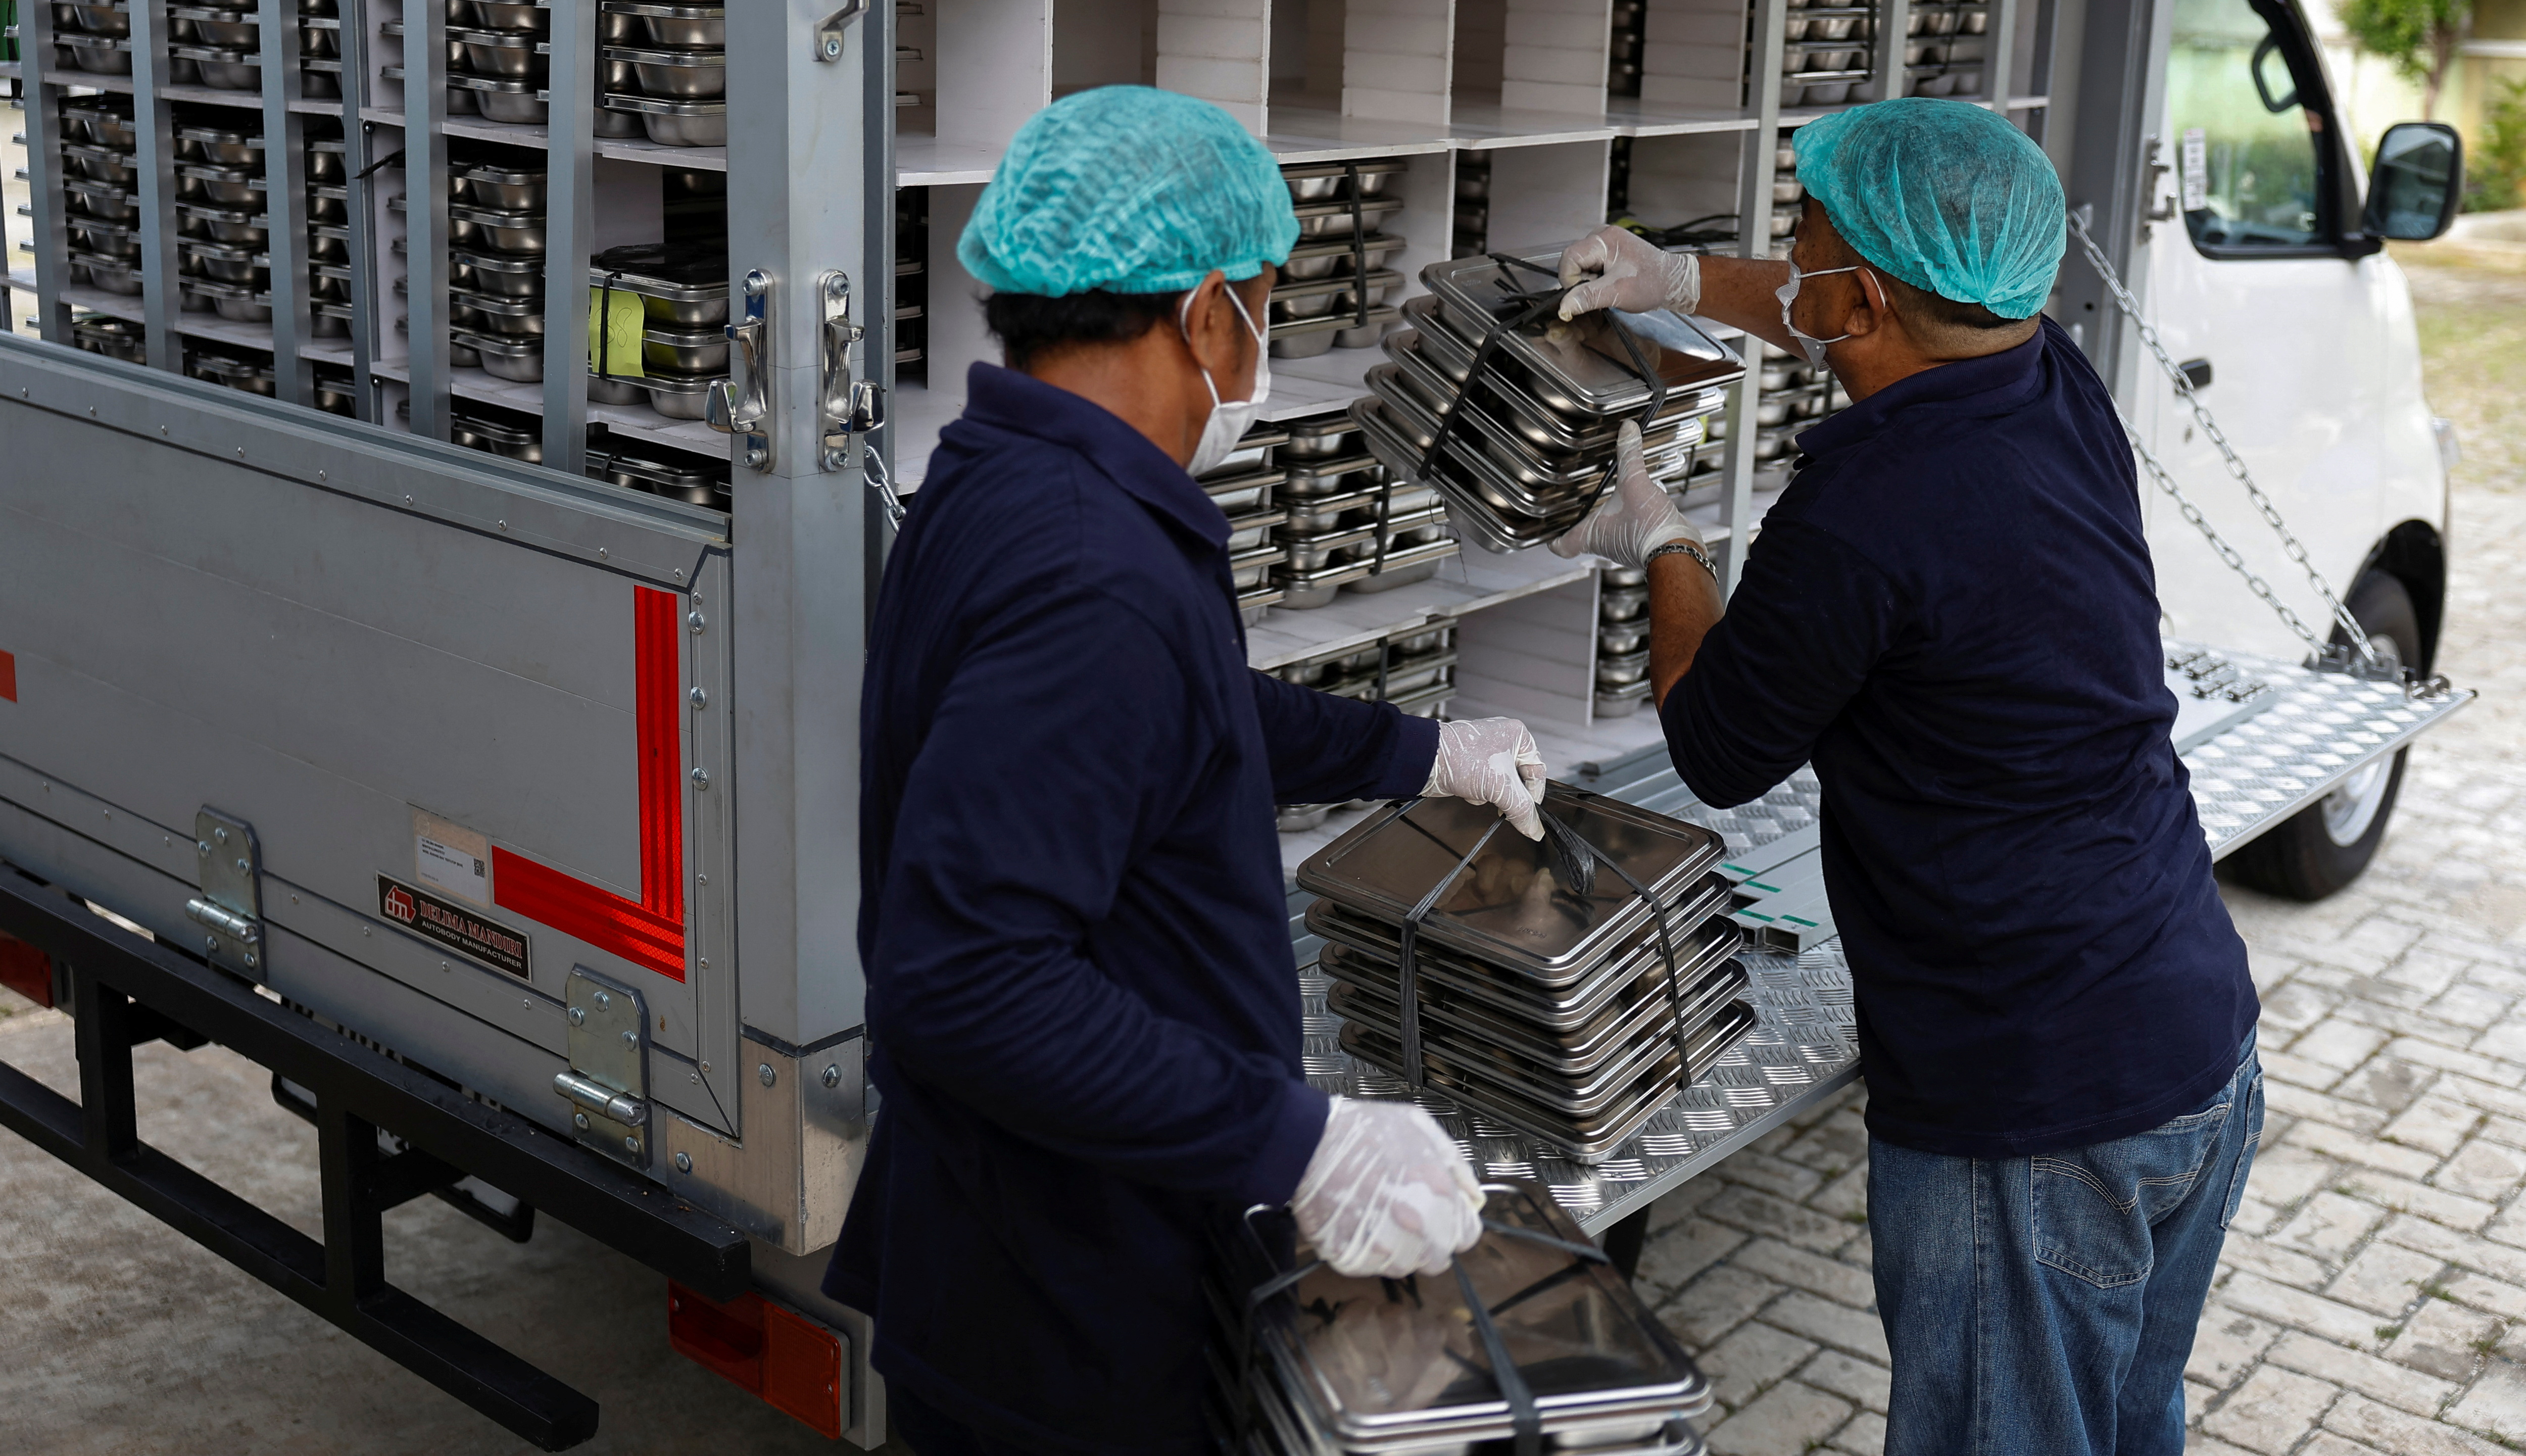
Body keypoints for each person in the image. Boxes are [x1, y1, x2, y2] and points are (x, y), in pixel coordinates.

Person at [827, 85, 1551, 1456]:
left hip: (1023, 1239)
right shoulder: (1091, 574)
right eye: (1263, 304)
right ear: (1205, 313)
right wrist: (1302, 1143)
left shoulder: (1001, 477)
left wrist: (1423, 750)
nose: (1261, 343)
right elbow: (963, 980)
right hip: (1065, 1296)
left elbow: (1186, 720)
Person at [1552, 99, 2262, 1456]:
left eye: (1800, 239)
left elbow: (1712, 741)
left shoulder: (1865, 512)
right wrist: (1681, 281)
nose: (1789, 258)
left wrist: (1663, 543)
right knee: (2120, 1426)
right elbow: (1864, 306)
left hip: (2034, 1114)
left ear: (1863, 292)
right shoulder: (2047, 377)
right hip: (2191, 1039)